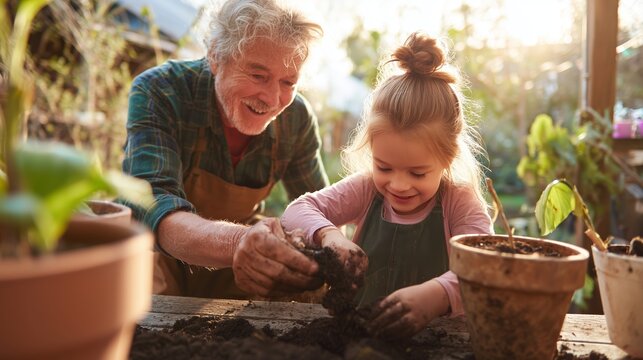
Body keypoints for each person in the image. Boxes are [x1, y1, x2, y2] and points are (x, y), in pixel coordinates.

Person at [281, 32, 493, 338]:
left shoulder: (458, 202)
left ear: (448, 158)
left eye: (418, 173)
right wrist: (330, 236)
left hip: (441, 343)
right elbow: (296, 211)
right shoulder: (368, 189)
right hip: (360, 339)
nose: (398, 184)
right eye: (384, 167)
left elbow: (485, 266)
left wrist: (437, 295)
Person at [122, 0, 330, 299]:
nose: (272, 99)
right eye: (258, 75)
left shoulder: (296, 118)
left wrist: (333, 244)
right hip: (158, 252)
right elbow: (152, 203)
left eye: (288, 82)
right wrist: (239, 242)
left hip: (238, 263)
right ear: (216, 56)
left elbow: (319, 210)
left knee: (309, 281)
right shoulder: (161, 90)